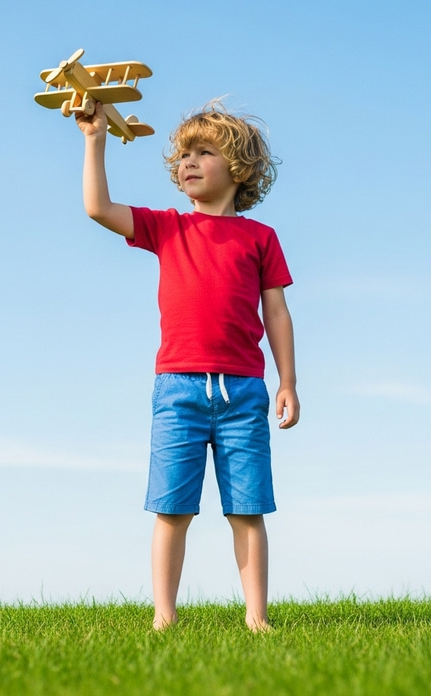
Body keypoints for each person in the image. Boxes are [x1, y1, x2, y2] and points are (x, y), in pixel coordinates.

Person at [76, 101, 299, 631]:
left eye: (204, 152)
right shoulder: (167, 227)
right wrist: (95, 141)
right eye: (182, 155)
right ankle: (164, 618)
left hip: (244, 392)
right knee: (172, 508)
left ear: (239, 169)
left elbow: (277, 311)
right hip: (177, 388)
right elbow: (98, 208)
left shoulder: (260, 237)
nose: (188, 162)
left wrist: (287, 381)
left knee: (247, 509)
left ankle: (257, 618)